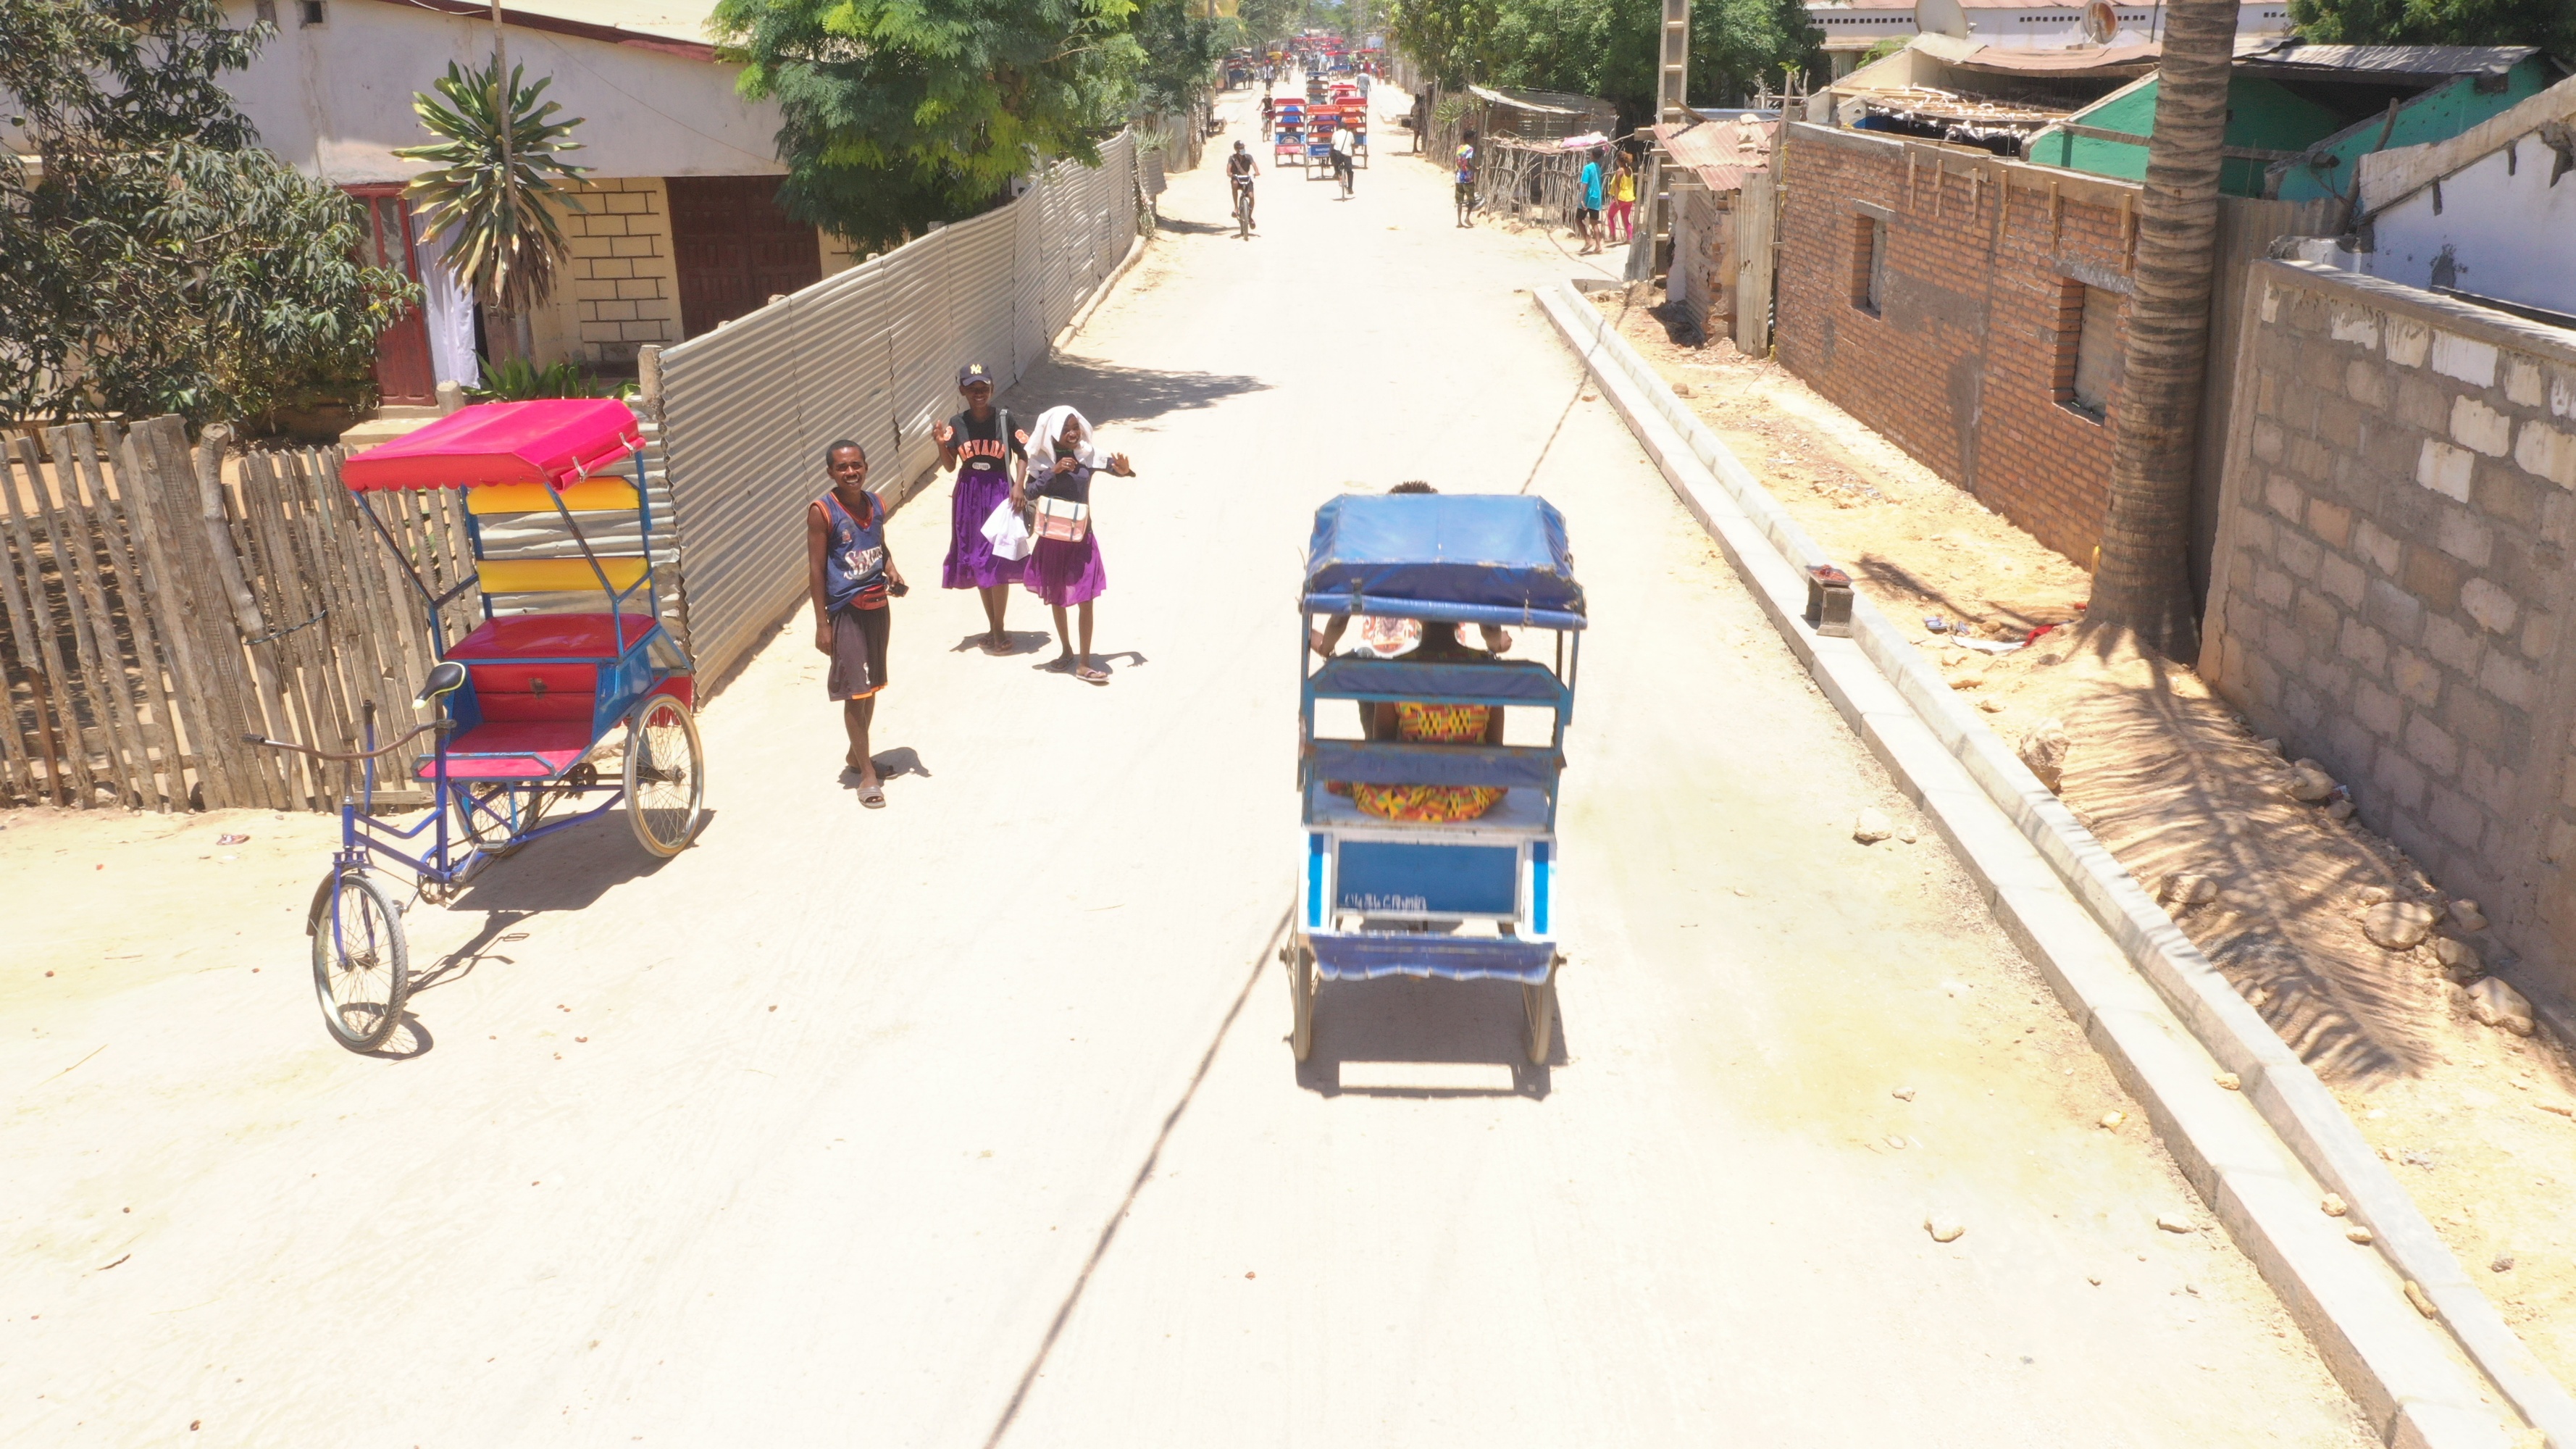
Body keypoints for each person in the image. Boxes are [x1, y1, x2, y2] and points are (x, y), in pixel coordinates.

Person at [806, 440, 906, 807]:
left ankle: (857, 756)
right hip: (846, 610)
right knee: (855, 690)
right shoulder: (822, 512)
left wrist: (891, 569)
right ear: (831, 472)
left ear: (866, 466)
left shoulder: (876, 503)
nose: (851, 473)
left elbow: (879, 541)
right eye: (843, 467)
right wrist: (822, 624)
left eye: (857, 465)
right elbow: (816, 570)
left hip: (878, 604)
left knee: (873, 685)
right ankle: (866, 774)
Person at [1021, 407, 1136, 685]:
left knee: (1086, 599)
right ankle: (1066, 650)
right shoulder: (1041, 460)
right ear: (1052, 433)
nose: (1073, 433)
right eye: (1066, 429)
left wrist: (1124, 471)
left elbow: (1115, 468)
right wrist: (1053, 472)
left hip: (1082, 538)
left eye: (1076, 427)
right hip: (1053, 540)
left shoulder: (1087, 455)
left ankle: (1084, 663)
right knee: (1057, 597)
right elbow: (1028, 494)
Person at [932, 362, 1025, 654]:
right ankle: (993, 625)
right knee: (978, 559)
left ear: (992, 388)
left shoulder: (1005, 419)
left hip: (999, 492)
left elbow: (1024, 454)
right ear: (963, 391)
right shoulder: (956, 424)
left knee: (996, 559)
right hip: (969, 495)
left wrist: (1019, 486)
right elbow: (949, 466)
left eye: (983, 388)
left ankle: (999, 628)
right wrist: (939, 444)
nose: (979, 393)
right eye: (972, 389)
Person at [1576, 146, 1606, 254]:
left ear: (1592, 155)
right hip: (1596, 197)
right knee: (1594, 223)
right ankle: (1598, 246)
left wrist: (1582, 199)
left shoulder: (1588, 168)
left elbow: (1585, 184)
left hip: (1588, 197)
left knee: (1578, 220)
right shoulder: (1598, 167)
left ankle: (1588, 239)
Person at [1226, 140, 1260, 232]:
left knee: (1251, 197)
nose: (1243, 150)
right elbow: (1228, 168)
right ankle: (1236, 208)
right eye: (1241, 149)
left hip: (1246, 179)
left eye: (1243, 148)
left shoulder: (1248, 157)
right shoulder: (1232, 158)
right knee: (1235, 184)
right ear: (1237, 150)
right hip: (1236, 178)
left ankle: (1249, 217)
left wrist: (1256, 172)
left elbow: (1254, 165)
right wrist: (1230, 173)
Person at [1607, 151, 1636, 243]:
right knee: (1625, 219)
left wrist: (1615, 199)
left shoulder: (1620, 171)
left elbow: (1617, 186)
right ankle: (1630, 238)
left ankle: (1613, 236)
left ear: (1619, 161)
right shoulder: (1630, 170)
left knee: (1610, 216)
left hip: (1621, 198)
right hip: (1629, 198)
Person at [1454, 128, 1479, 227]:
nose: (1474, 139)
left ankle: (1459, 222)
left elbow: (1459, 162)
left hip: (1458, 177)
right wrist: (1475, 169)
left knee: (1459, 200)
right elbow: (1467, 164)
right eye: (1473, 138)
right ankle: (1467, 218)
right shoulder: (1470, 149)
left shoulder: (1459, 148)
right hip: (1467, 178)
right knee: (1471, 200)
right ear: (1469, 138)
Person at [1329, 119, 1357, 193]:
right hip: (1347, 156)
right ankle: (1350, 189)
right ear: (1346, 128)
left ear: (1339, 128)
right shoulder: (1350, 134)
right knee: (1350, 171)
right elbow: (1353, 143)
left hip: (1338, 156)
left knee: (1332, 152)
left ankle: (1336, 171)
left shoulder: (1335, 133)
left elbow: (1332, 143)